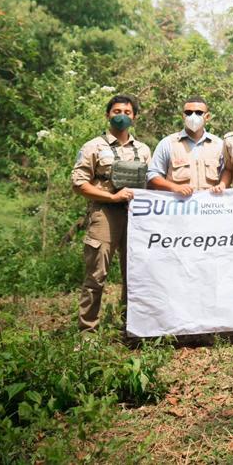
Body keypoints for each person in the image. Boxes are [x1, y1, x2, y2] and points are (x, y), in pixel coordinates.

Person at [71, 94, 152, 333]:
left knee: (135, 275)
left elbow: (151, 183)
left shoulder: (143, 150)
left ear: (134, 117)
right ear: (108, 114)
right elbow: (78, 184)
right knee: (97, 275)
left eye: (127, 113)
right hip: (104, 215)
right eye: (117, 112)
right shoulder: (93, 147)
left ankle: (131, 328)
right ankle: (88, 332)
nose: (122, 117)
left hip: (137, 218)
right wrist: (112, 197)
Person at [147, 96, 225, 196]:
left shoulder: (219, 145)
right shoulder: (168, 143)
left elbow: (227, 173)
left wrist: (222, 185)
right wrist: (173, 187)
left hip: (209, 207)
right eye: (188, 112)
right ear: (183, 116)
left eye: (198, 113)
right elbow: (152, 175)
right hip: (178, 207)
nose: (193, 116)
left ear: (207, 117)